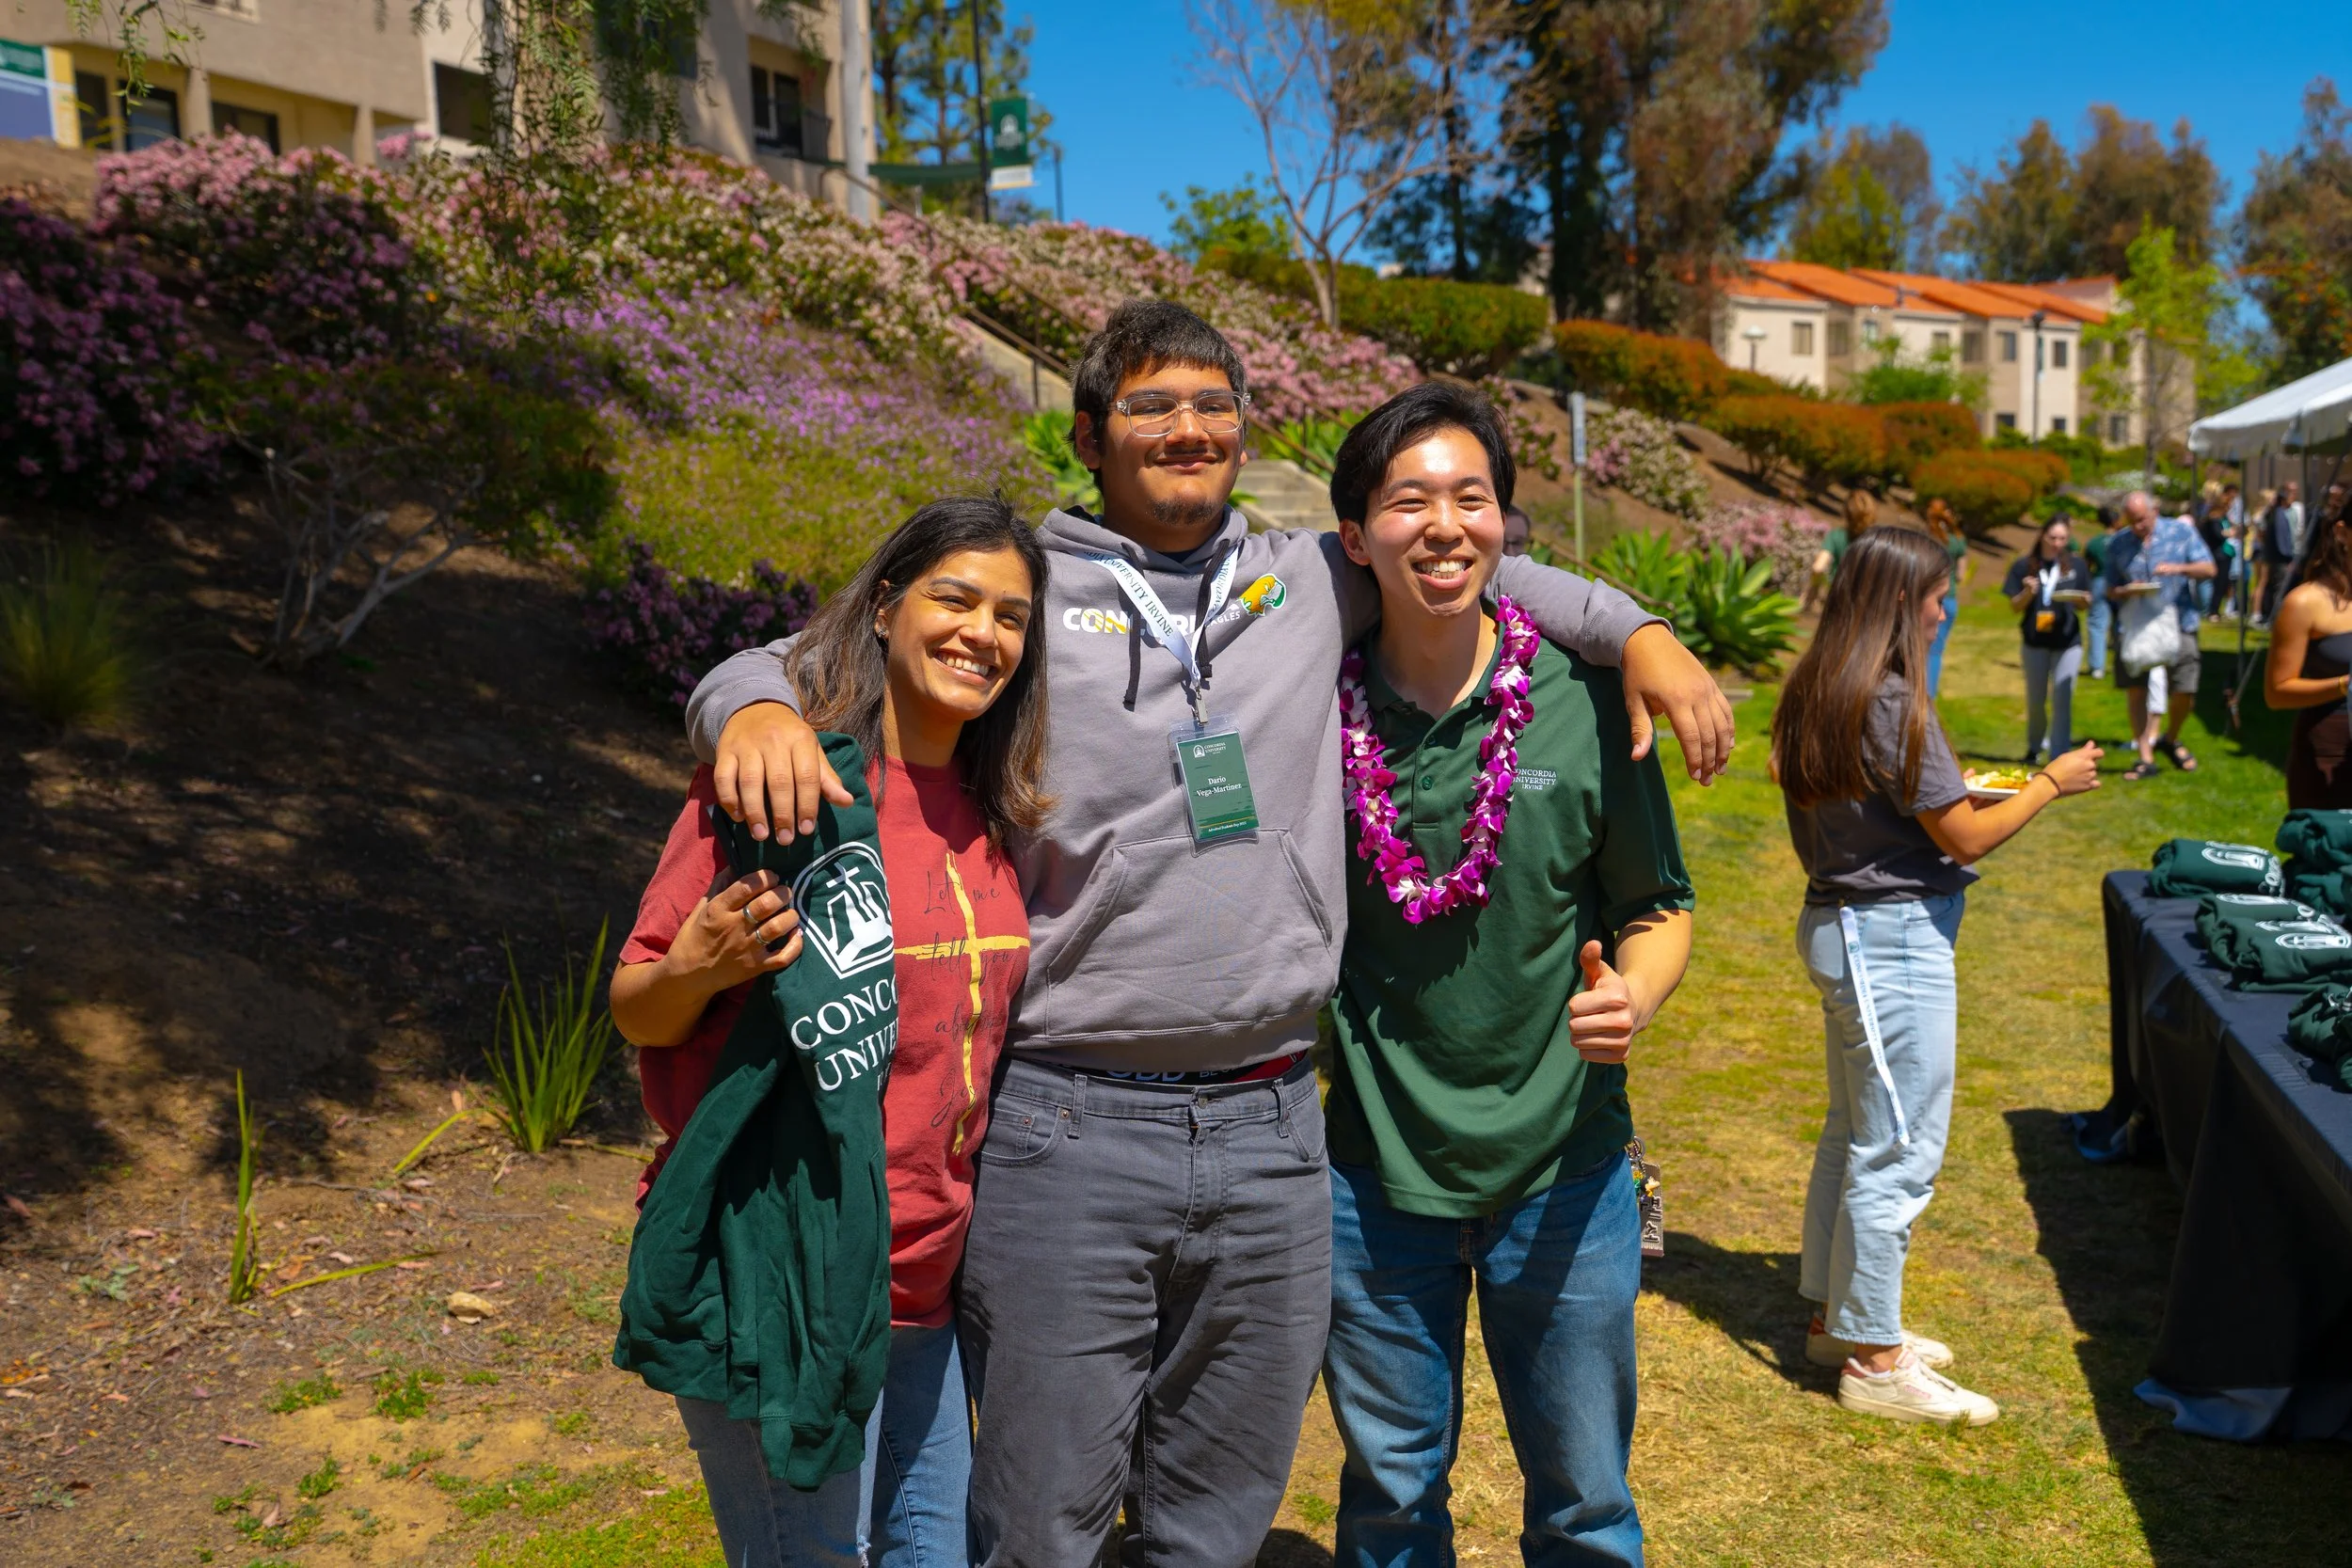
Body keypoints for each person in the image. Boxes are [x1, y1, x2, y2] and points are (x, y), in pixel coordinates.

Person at [680, 300, 1737, 1568]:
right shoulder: (1024, 592)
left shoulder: (1304, 577)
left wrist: (1643, 632)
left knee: (1214, 1520)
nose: (1190, 430)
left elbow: (1460, 552)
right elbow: (809, 655)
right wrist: (749, 709)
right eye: (1151, 404)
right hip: (1070, 1123)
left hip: (1276, 1128)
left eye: (1215, 404)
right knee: (1042, 1519)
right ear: (1089, 431)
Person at [610, 499, 1049, 1568]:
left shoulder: (996, 814)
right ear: (887, 606)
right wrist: (700, 966)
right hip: (784, 1273)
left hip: (920, 1280)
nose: (979, 633)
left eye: (1009, 615)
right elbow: (638, 1003)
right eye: (953, 598)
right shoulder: (787, 783)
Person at [1319, 384, 1693, 1567]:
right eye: (1408, 499)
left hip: (1567, 1169)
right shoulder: (1306, 704)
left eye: (1470, 497)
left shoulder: (1585, 700)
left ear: (1504, 521)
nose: (1444, 525)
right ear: (1353, 535)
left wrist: (1633, 991)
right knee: (1389, 1496)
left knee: (1585, 1500)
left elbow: (1659, 906)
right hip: (1373, 1175)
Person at [1774, 526, 2102, 1426]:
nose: (1944, 608)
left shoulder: (1818, 681)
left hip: (1849, 922)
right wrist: (2045, 783)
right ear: (1897, 601)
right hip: (1886, 940)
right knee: (1900, 1146)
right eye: (1935, 594)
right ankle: (1875, 1360)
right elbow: (1960, 834)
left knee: (1855, 1131)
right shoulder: (1884, 698)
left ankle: (1837, 1319)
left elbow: (1902, 802)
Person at [2106, 489, 2215, 781]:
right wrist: (2125, 591)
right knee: (2136, 689)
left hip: (2179, 621)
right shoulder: (2118, 544)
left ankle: (2170, 738)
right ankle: (2145, 755)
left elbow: (2209, 568)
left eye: (2142, 519)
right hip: (2137, 626)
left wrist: (2178, 569)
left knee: (2185, 688)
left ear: (2155, 510)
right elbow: (2109, 588)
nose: (2139, 525)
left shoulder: (2180, 532)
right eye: (2132, 521)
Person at [2267, 495, 2352, 808]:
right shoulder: (2305, 603)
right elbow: (2277, 692)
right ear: (2342, 532)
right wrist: (2345, 685)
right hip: (2329, 754)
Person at [2003, 516, 2094, 763]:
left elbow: (2085, 602)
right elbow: (2014, 606)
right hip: (2035, 641)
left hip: (2067, 641)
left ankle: (2059, 753)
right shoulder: (2024, 565)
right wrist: (2028, 593)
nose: (2057, 543)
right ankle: (2034, 747)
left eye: (2063, 538)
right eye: (2053, 537)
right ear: (2042, 535)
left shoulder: (2076, 565)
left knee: (2063, 697)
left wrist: (2081, 601)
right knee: (2036, 699)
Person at [1920, 497, 1970, 698]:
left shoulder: (1925, 538)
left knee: (1921, 651)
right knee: (1935, 652)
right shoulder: (1957, 540)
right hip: (1949, 600)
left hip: (1927, 600)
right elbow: (1960, 574)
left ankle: (1921, 698)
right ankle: (1928, 698)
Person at [1804, 488, 1876, 612]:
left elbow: (1818, 567)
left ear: (1846, 512)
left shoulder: (1836, 536)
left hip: (1837, 596)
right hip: (1866, 602)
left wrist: (1811, 593)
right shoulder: (1877, 541)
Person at [2082, 502, 2124, 678]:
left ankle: (2097, 667)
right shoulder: (2124, 540)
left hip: (2099, 581)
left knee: (2097, 624)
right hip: (2120, 584)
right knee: (2122, 624)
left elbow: (2086, 566)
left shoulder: (2094, 543)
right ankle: (2123, 663)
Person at [2257, 486, 2295, 626]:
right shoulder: (2279, 515)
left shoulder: (2274, 513)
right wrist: (2288, 557)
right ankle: (2275, 617)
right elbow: (2281, 539)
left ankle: (2270, 615)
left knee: (2272, 586)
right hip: (2280, 559)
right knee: (2279, 588)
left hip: (2274, 557)